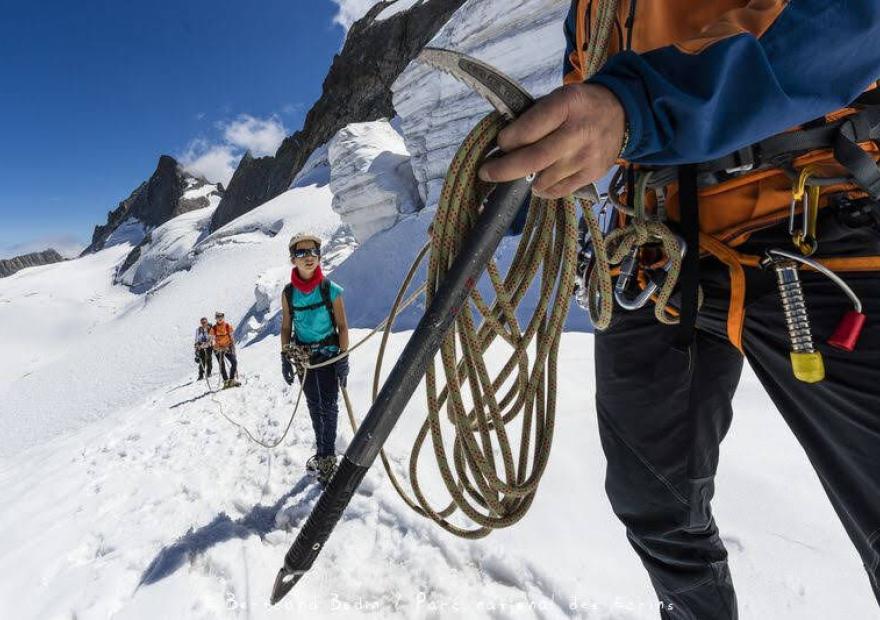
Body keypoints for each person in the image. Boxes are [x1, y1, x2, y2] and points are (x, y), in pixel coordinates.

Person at [478, 2, 880, 617]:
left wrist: (640, 106)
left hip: (817, 212)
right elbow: (595, 91)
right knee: (653, 502)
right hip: (651, 250)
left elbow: (849, 21)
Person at [280, 232, 350, 484]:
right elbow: (286, 327)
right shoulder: (288, 294)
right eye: (302, 253)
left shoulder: (330, 290)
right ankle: (322, 450)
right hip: (303, 358)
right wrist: (285, 355)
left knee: (328, 406)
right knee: (314, 405)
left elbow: (342, 326)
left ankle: (327, 456)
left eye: (313, 252)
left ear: (319, 256)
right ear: (293, 259)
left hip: (329, 355)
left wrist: (343, 357)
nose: (308, 257)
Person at [211, 311, 239, 388]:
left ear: (223, 317)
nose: (219, 319)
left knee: (234, 362)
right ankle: (226, 382)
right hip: (218, 349)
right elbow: (212, 340)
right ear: (216, 318)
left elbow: (232, 338)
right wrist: (216, 347)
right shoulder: (213, 328)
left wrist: (233, 347)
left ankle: (231, 380)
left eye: (221, 317)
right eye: (218, 317)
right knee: (222, 365)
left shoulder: (227, 326)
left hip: (227, 347)